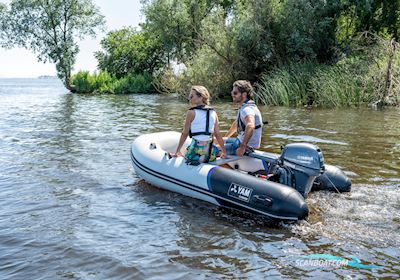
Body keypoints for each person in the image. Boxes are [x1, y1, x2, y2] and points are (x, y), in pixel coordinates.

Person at [172, 85, 227, 164]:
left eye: (192, 96)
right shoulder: (214, 112)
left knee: (185, 151)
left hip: (196, 154)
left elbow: (185, 133)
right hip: (210, 155)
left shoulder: (191, 112)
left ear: (201, 97)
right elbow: (218, 134)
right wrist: (224, 152)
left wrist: (177, 151)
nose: (189, 98)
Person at [224, 80, 263, 156]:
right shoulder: (245, 106)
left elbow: (250, 125)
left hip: (246, 146)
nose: (232, 95)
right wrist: (225, 138)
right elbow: (236, 125)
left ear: (244, 94)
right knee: (217, 141)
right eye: (232, 92)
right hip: (240, 140)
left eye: (235, 93)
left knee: (211, 149)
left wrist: (242, 147)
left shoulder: (247, 109)